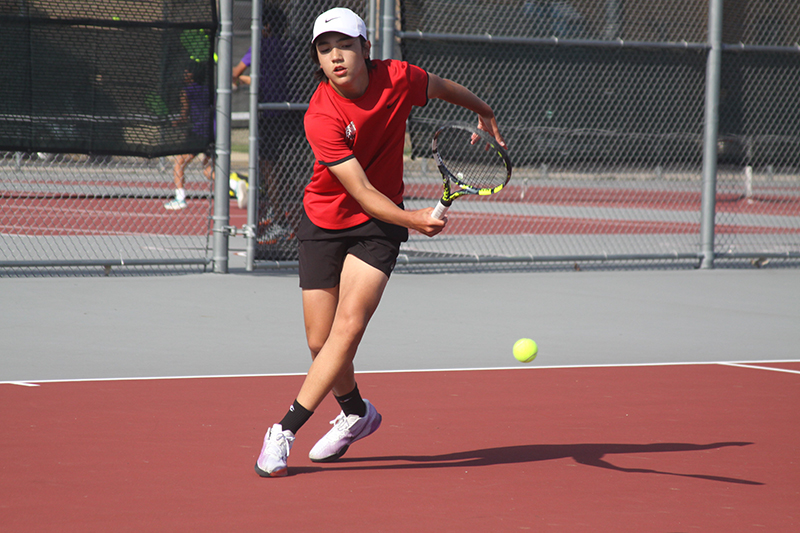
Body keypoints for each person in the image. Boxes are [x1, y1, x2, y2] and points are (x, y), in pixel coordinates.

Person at [255, 7, 506, 477]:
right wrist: (413, 218)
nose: (336, 57)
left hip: (377, 228)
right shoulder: (320, 114)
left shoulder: (399, 77)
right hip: (327, 219)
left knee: (347, 329)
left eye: (345, 46)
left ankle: (283, 431)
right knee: (320, 342)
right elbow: (363, 193)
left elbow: (442, 86)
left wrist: (483, 109)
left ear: (366, 48)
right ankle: (356, 413)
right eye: (325, 50)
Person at [165, 62, 215, 210]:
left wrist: (176, 122)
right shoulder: (209, 90)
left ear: (192, 75)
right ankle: (235, 186)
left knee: (179, 162)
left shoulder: (187, 90)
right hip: (211, 132)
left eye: (186, 71)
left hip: (197, 132)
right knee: (208, 169)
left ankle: (180, 198)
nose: (183, 74)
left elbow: (184, 114)